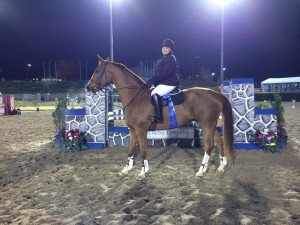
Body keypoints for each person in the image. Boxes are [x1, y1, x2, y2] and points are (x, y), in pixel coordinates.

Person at [146, 39, 179, 123]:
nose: (164, 49)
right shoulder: (162, 58)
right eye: (163, 47)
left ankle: (159, 117)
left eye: (167, 48)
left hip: (169, 83)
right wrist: (152, 82)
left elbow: (166, 72)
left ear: (170, 49)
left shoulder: (171, 58)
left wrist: (154, 79)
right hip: (162, 82)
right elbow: (158, 73)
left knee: (154, 93)